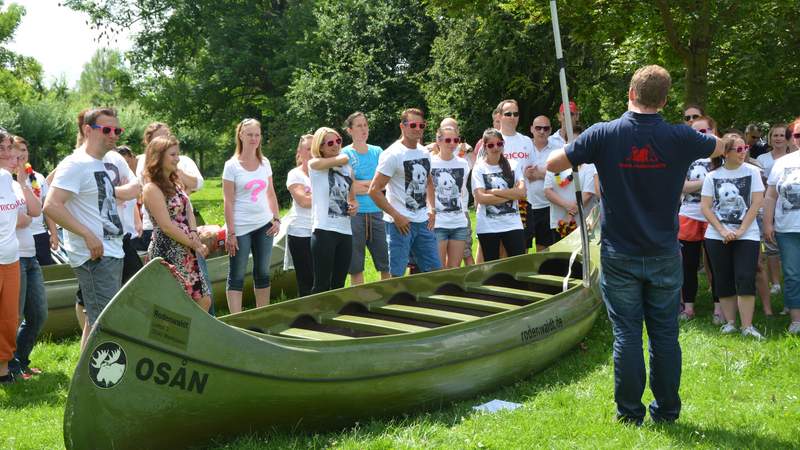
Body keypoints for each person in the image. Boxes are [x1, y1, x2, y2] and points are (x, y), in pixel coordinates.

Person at [546, 65, 725, 425]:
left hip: (620, 251)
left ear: (631, 93)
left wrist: (579, 150)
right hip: (662, 251)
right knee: (664, 335)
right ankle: (667, 412)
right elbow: (719, 145)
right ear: (665, 99)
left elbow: (553, 163)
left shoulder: (604, 134)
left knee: (627, 334)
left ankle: (630, 414)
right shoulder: (681, 137)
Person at [44, 108, 129, 351]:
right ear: (87, 130)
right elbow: (51, 205)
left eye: (117, 130)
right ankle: (100, 383)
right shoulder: (75, 164)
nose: (113, 135)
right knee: (106, 323)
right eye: (107, 129)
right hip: (95, 257)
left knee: (98, 322)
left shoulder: (100, 163)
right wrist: (88, 235)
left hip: (112, 251)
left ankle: (89, 380)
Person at [701, 136, 765, 339]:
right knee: (723, 278)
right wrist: (721, 231)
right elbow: (705, 207)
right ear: (725, 153)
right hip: (716, 235)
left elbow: (756, 203)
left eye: (744, 148)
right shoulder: (712, 177)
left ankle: (747, 326)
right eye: (738, 149)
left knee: (745, 277)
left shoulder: (753, 172)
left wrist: (740, 231)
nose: (743, 152)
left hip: (748, 234)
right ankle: (730, 323)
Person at [369, 108, 442, 277]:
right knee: (396, 274)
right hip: (399, 225)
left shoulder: (424, 151)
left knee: (434, 271)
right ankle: (395, 302)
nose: (418, 129)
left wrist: (432, 208)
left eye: (421, 125)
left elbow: (429, 182)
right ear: (402, 126)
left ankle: (429, 302)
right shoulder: (392, 154)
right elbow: (374, 191)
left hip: (423, 221)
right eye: (413, 125)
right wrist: (397, 216)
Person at [143, 135, 211, 311]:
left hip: (187, 248)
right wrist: (194, 244)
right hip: (168, 250)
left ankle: (194, 337)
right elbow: (166, 226)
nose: (178, 158)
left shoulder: (175, 182)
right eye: (172, 155)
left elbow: (188, 208)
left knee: (203, 300)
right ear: (158, 157)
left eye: (177, 154)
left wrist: (194, 234)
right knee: (176, 305)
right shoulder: (151, 188)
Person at [222, 118, 280, 312]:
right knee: (237, 273)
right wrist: (231, 232)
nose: (254, 139)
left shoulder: (265, 163)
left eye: (257, 135)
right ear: (241, 135)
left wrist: (277, 218)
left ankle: (261, 314)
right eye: (250, 135)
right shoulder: (232, 166)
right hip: (240, 227)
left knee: (263, 272)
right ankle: (236, 321)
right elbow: (228, 201)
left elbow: (270, 193)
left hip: (264, 224)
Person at [678, 117, 723, 323]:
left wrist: (695, 184)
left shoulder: (721, 156)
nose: (700, 136)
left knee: (716, 264)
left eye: (703, 131)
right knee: (688, 264)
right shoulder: (684, 155)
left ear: (713, 131)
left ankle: (719, 307)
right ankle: (688, 307)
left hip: (716, 217)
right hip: (689, 215)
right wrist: (706, 181)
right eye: (695, 132)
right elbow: (680, 187)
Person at [9, 137, 46, 380]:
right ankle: (10, 366)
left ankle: (21, 360)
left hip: (30, 257)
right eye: (13, 152)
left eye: (22, 152)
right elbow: (15, 220)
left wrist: (22, 182)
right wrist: (18, 218)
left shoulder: (20, 182)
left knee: (39, 315)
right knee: (15, 315)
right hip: (12, 257)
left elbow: (35, 211)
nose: (18, 157)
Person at [341, 112, 390, 285]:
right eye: (359, 126)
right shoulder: (344, 154)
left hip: (379, 212)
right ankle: (358, 300)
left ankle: (387, 297)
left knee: (386, 262)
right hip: (355, 215)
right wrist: (373, 185)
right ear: (350, 130)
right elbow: (348, 186)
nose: (364, 129)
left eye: (365, 125)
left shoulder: (378, 152)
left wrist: (362, 184)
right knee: (356, 265)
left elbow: (384, 183)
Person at [308, 127, 357, 292]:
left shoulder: (348, 170)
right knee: (321, 284)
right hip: (324, 230)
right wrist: (343, 157)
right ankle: (316, 316)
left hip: (345, 231)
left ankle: (334, 316)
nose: (335, 145)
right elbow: (342, 158)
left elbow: (352, 199)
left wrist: (353, 207)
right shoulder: (314, 164)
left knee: (339, 284)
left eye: (338, 141)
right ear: (320, 146)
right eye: (330, 143)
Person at [763, 116, 800, 334]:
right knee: (793, 273)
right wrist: (768, 223)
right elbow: (770, 196)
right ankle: (796, 319)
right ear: (792, 138)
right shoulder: (782, 163)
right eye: (797, 134)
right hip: (787, 229)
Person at [472, 128, 527, 261]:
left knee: (518, 263)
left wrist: (495, 192)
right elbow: (481, 198)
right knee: (492, 267)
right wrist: (510, 194)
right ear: (485, 147)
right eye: (491, 145)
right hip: (488, 227)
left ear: (503, 144)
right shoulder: (479, 168)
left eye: (499, 144)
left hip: (513, 224)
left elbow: (522, 193)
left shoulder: (514, 165)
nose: (496, 148)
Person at [0, 131, 24, 382]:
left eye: (9, 147)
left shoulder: (7, 179)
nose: (9, 154)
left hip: (11, 258)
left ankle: (4, 370)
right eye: (2, 149)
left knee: (8, 317)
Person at [756, 123, 790, 296]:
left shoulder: (793, 158)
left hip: (789, 208)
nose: (778, 138)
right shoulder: (763, 159)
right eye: (775, 135)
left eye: (782, 135)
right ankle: (775, 282)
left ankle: (790, 280)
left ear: (788, 138)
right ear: (770, 138)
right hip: (768, 206)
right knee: (771, 246)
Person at [14, 137, 58, 266]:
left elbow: (47, 207)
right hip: (18, 237)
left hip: (40, 235)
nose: (21, 153)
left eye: (24, 150)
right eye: (17, 150)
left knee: (46, 276)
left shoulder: (38, 177)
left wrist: (54, 234)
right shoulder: (7, 177)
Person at [430, 125, 470, 268]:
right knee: (438, 269)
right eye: (448, 140)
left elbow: (462, 192)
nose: (452, 144)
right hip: (437, 224)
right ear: (438, 141)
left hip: (458, 223)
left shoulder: (464, 163)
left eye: (456, 140)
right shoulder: (430, 162)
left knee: (454, 270)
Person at [525, 115, 560, 251]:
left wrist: (541, 174)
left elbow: (563, 176)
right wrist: (525, 174)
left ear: (550, 130)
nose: (542, 131)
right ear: (531, 129)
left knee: (544, 247)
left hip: (547, 205)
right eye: (538, 128)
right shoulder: (524, 148)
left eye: (545, 128)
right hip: (525, 204)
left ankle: (543, 272)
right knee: (522, 246)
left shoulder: (557, 149)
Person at [285, 135, 314, 297]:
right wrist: (327, 195)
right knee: (307, 280)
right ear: (300, 152)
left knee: (324, 278)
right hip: (301, 233)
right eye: (308, 149)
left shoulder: (325, 172)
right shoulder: (295, 175)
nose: (311, 152)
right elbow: (303, 201)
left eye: (314, 148)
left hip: (322, 231)